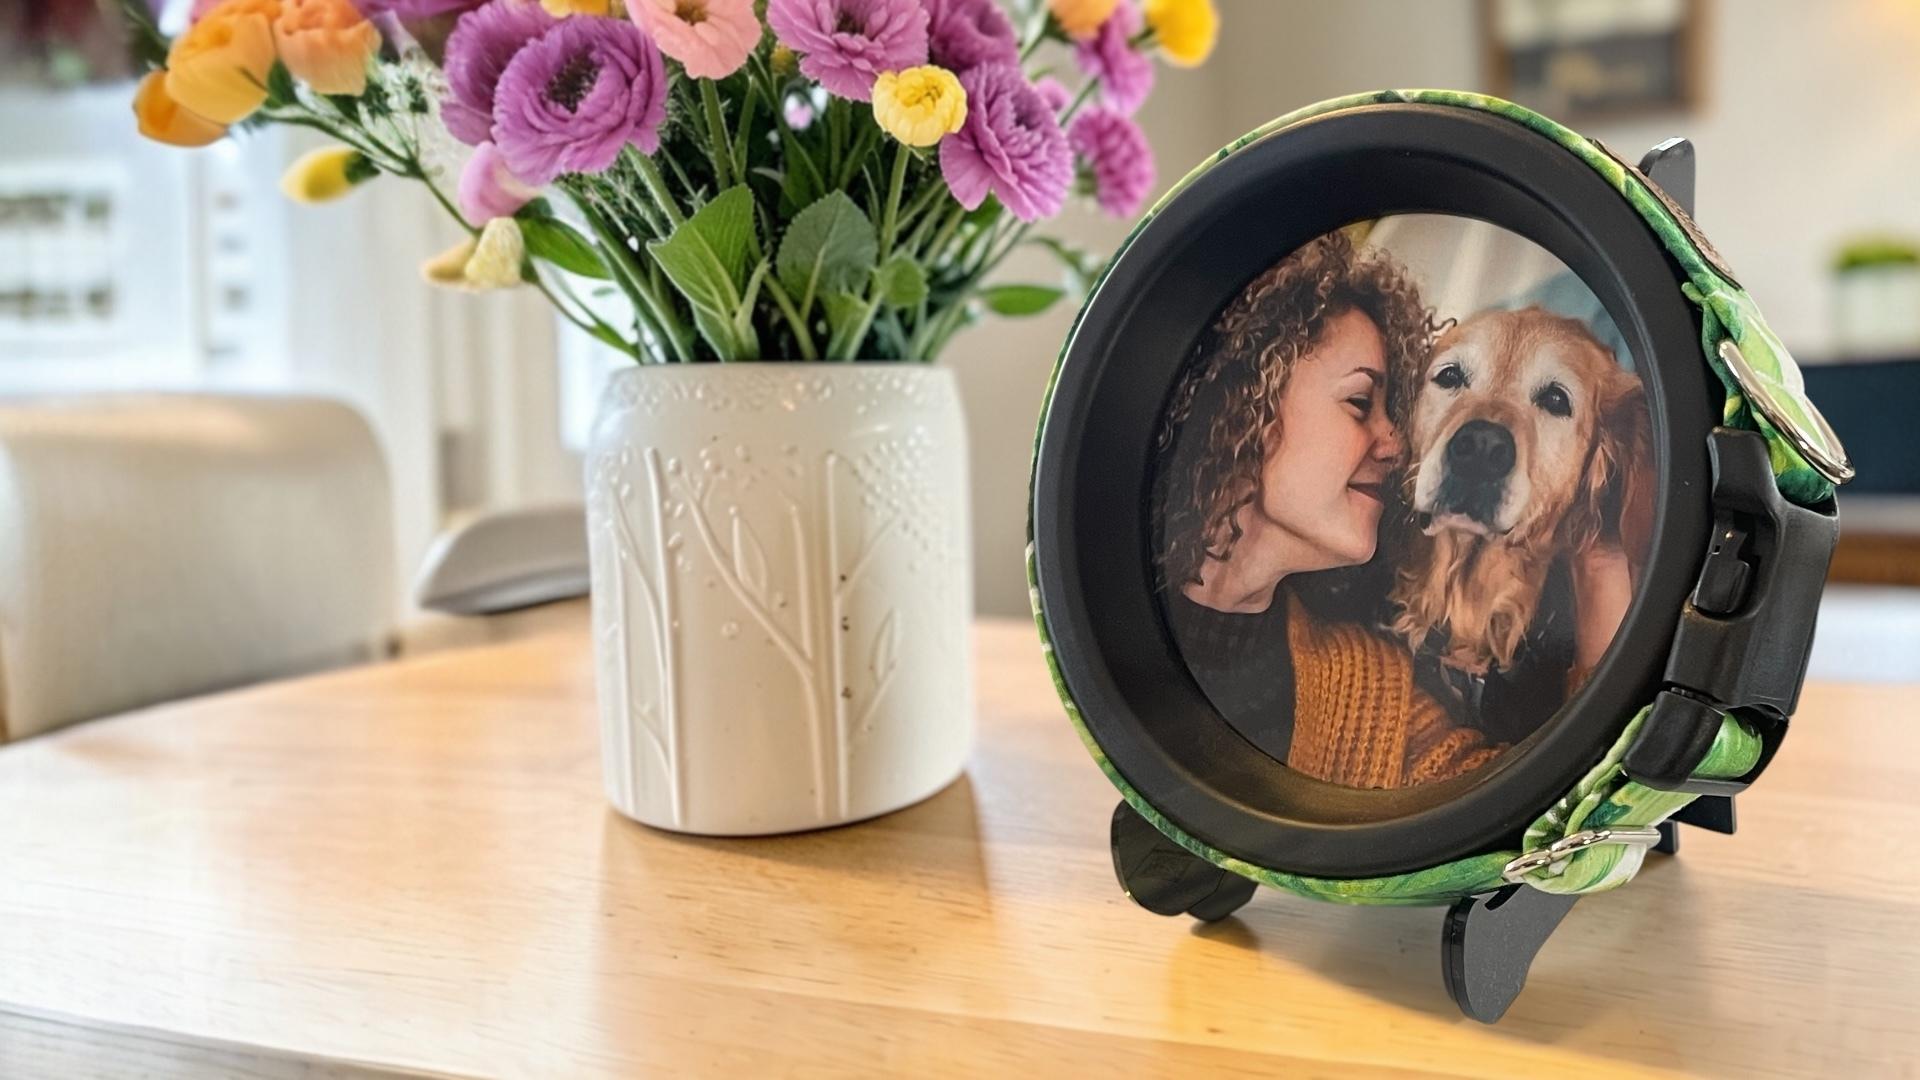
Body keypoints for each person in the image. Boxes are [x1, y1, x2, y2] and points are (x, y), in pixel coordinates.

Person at [1153, 230, 1502, 790]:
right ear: (1246, 403)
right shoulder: (1103, 613)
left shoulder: (1369, 687)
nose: (1396, 443)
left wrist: (1600, 555)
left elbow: (1528, 814)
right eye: (1361, 403)